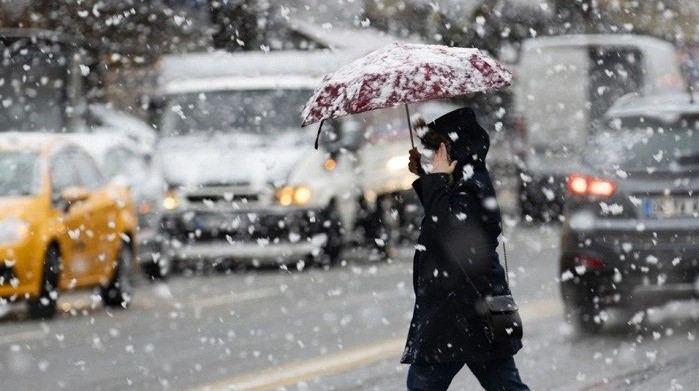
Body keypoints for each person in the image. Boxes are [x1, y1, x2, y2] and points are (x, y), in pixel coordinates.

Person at [402, 107, 530, 391]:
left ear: (451, 148)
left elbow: (449, 231)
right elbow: (445, 221)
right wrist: (427, 177)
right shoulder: (466, 181)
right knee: (504, 384)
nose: (433, 156)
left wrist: (434, 180)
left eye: (436, 149)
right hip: (469, 306)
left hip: (461, 309)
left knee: (423, 384)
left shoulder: (472, 185)